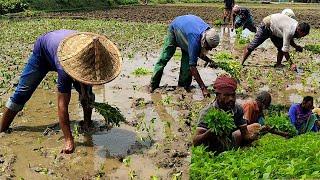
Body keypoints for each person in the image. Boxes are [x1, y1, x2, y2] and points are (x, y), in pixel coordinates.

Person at [0, 30, 122, 154]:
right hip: (43, 52)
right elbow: (62, 105)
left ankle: (87, 123)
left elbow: (86, 77)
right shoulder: (65, 67)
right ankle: (2, 128)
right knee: (22, 92)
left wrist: (85, 93)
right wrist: (68, 139)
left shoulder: (91, 53)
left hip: (72, 54)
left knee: (88, 95)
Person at [150, 15, 220, 98]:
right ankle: (153, 84)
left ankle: (183, 86)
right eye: (209, 47)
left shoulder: (208, 32)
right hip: (176, 28)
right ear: (204, 41)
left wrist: (209, 61)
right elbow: (193, 67)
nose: (210, 50)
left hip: (187, 30)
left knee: (186, 63)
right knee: (165, 57)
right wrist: (203, 88)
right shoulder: (195, 40)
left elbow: (197, 53)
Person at [193, 75, 260, 153]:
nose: (231, 98)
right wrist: (210, 133)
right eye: (226, 95)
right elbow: (195, 142)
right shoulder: (207, 113)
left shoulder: (237, 109)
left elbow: (245, 134)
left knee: (256, 126)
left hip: (230, 144)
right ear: (217, 96)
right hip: (212, 150)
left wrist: (254, 136)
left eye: (233, 95)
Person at [242, 13, 310, 70]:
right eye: (303, 35)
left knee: (280, 48)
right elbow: (285, 50)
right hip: (266, 25)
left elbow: (289, 39)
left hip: (276, 29)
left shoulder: (295, 26)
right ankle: (241, 63)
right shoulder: (289, 30)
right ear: (299, 30)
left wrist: (296, 46)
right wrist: (291, 64)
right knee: (251, 47)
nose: (302, 37)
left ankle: (278, 64)